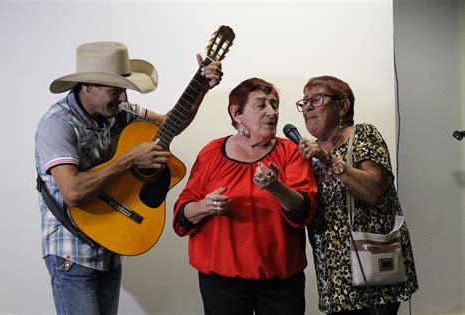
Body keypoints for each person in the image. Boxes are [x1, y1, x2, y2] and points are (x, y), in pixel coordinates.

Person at [34, 41, 222, 314]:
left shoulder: (120, 112)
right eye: (116, 90)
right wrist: (129, 159)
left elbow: (170, 123)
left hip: (110, 248)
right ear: (88, 85)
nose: (123, 97)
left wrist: (201, 88)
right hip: (71, 254)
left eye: (124, 89)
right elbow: (72, 192)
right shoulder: (58, 125)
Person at [172, 77, 317, 315]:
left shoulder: (290, 151)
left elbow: (306, 211)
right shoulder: (211, 152)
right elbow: (181, 215)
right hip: (222, 283)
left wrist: (276, 187)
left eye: (275, 105)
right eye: (261, 105)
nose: (272, 112)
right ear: (237, 113)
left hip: (280, 283)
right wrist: (204, 206)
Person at [295, 75, 418, 314]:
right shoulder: (308, 153)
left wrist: (328, 158)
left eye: (317, 99)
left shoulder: (363, 135)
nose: (307, 106)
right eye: (304, 101)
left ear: (343, 106)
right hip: (334, 275)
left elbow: (373, 191)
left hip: (374, 269)